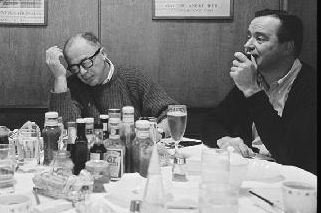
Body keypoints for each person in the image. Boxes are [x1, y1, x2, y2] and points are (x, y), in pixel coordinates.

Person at [202, 9, 317, 174]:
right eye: (249, 36)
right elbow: (210, 122)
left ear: (287, 47)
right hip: (253, 170)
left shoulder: (310, 86)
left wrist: (252, 90)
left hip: (292, 179)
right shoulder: (253, 78)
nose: (247, 45)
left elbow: (290, 155)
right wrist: (225, 139)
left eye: (260, 38)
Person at [45, 32, 178, 133]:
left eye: (86, 63)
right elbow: (66, 129)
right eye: (75, 68)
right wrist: (60, 77)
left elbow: (172, 115)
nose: (83, 72)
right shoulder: (73, 85)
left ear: (103, 53)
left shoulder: (133, 78)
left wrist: (152, 133)